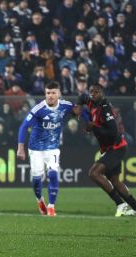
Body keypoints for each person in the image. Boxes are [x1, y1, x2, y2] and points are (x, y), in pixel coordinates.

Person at [17, 82, 86, 217]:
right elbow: (23, 127)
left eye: (53, 92)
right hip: (36, 148)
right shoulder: (38, 109)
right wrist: (20, 148)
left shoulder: (65, 105)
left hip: (53, 148)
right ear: (45, 94)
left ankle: (51, 207)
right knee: (37, 179)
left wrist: (86, 113)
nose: (50, 96)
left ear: (59, 94)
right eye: (48, 93)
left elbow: (77, 111)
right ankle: (39, 200)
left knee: (53, 174)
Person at [74, 84, 136, 217]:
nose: (93, 94)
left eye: (96, 92)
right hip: (110, 148)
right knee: (115, 181)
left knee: (94, 173)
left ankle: (120, 203)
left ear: (102, 93)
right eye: (91, 92)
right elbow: (82, 97)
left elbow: (113, 132)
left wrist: (94, 127)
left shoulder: (106, 109)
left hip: (116, 147)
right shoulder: (90, 100)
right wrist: (78, 105)